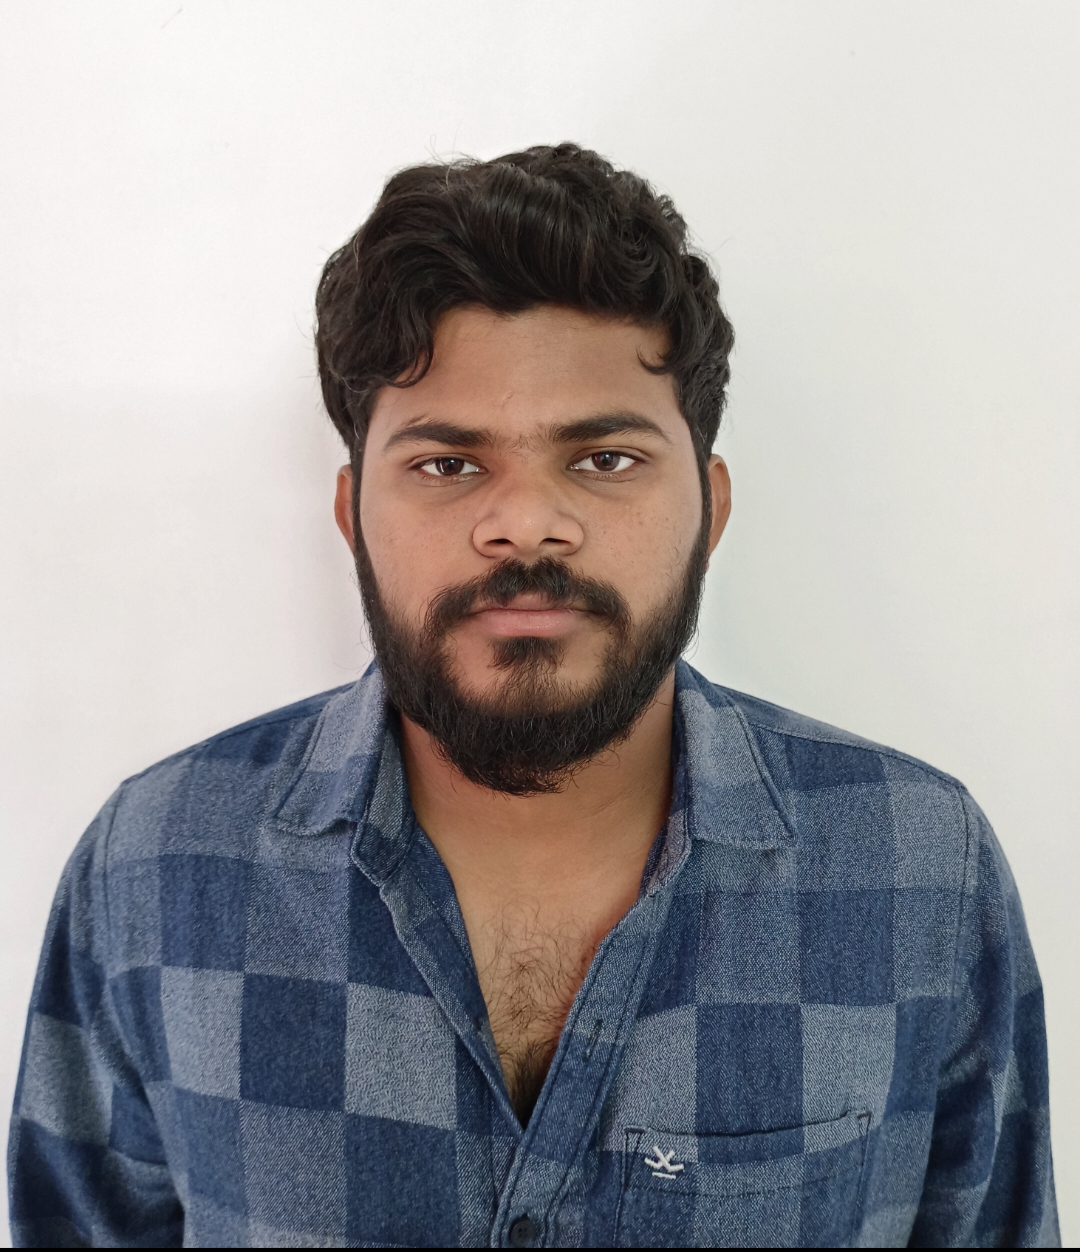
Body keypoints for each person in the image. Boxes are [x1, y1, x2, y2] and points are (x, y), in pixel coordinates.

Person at [8, 144, 1058, 1249]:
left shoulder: (920, 865)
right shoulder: (153, 864)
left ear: (710, 506)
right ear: (351, 513)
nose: (524, 525)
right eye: (448, 464)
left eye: (603, 459)